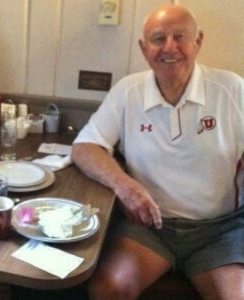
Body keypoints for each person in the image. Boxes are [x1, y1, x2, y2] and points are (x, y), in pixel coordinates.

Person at [72, 4, 244, 300]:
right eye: (158, 39)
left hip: (219, 230)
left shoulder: (231, 88)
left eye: (180, 37)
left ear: (198, 41)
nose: (170, 47)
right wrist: (126, 186)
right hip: (150, 228)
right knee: (107, 289)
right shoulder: (128, 91)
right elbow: (85, 147)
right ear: (143, 47)